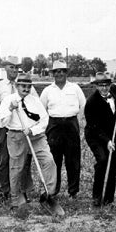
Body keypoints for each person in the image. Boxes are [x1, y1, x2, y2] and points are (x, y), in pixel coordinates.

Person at [0, 73, 59, 211]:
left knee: (49, 161)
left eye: (28, 86)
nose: (26, 89)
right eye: (23, 86)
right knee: (16, 168)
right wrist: (10, 110)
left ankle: (48, 194)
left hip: (36, 136)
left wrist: (33, 130)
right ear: (17, 86)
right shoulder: (8, 100)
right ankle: (15, 200)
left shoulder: (35, 101)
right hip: (16, 136)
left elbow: (44, 120)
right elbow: (1, 122)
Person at [0, 58, 35, 202]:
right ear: (5, 69)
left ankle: (22, 191)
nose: (14, 70)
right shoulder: (0, 86)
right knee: (5, 159)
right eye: (11, 67)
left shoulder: (27, 86)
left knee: (23, 159)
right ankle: (5, 191)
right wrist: (5, 108)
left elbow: (36, 103)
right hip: (5, 126)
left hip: (22, 128)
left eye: (16, 68)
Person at [40, 59, 86, 198]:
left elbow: (83, 106)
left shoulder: (75, 88)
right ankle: (53, 190)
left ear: (67, 73)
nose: (59, 74)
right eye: (57, 71)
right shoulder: (48, 90)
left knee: (73, 160)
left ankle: (73, 192)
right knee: (54, 159)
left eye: (62, 71)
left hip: (71, 124)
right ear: (53, 74)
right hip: (54, 126)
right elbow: (42, 110)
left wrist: (80, 123)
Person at [85, 72, 116, 207]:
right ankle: (97, 196)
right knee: (102, 160)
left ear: (110, 85)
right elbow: (94, 127)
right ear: (96, 86)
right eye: (101, 85)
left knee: (113, 163)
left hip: (113, 133)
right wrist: (107, 141)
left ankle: (108, 199)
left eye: (106, 85)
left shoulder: (114, 90)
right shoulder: (91, 102)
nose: (104, 88)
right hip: (95, 135)